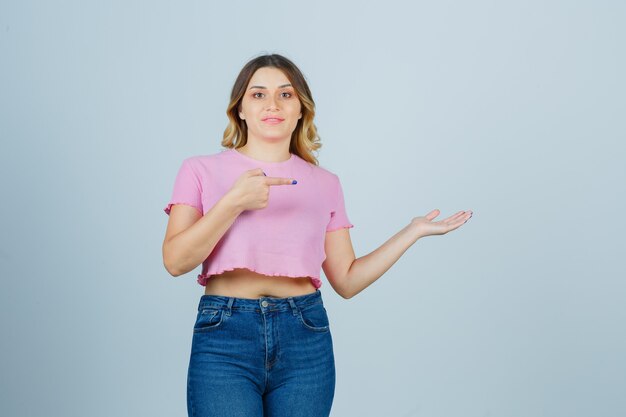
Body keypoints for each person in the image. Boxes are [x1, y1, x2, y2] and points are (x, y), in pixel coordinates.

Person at [162, 53, 473, 417]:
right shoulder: (200, 170)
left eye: (286, 94)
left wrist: (412, 231)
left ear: (301, 110)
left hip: (305, 336)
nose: (272, 104)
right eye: (258, 94)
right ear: (240, 110)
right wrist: (233, 203)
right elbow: (175, 261)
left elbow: (347, 280)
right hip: (225, 334)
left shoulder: (325, 184)